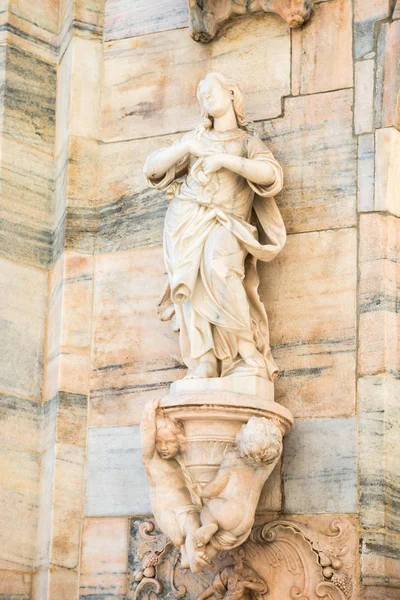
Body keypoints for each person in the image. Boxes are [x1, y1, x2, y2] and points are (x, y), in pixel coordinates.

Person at [143, 72, 285, 382]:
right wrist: (185, 148)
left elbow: (270, 175)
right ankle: (204, 361)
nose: (206, 98)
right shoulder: (197, 139)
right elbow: (151, 169)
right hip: (186, 221)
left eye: (212, 91)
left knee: (220, 270)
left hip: (226, 222)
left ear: (232, 94)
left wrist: (225, 161)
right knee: (192, 287)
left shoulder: (247, 142)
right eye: (200, 96)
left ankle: (248, 354)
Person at [193, 417, 282, 557]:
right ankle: (199, 559)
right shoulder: (265, 467)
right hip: (245, 522)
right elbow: (276, 453)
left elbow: (216, 486)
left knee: (208, 509)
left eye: (244, 428)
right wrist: (278, 431)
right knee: (217, 545)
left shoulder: (233, 459)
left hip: (228, 511)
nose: (241, 427)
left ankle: (209, 525)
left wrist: (201, 492)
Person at [140, 399, 210, 573]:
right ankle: (186, 552)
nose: (163, 447)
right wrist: (149, 414)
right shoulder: (152, 461)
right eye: (159, 442)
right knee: (180, 536)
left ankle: (190, 556)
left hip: (187, 508)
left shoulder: (181, 462)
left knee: (192, 526)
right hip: (167, 509)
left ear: (179, 442)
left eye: (169, 442)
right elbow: (146, 441)